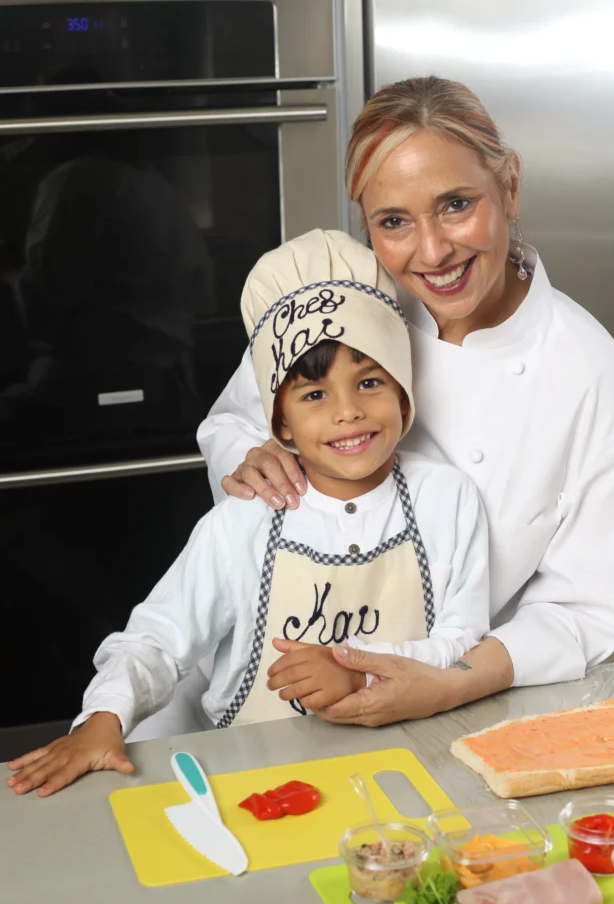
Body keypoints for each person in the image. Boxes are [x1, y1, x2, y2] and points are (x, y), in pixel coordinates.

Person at [198, 75, 614, 727]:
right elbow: (232, 421)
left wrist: (447, 683)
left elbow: (580, 609)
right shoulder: (342, 301)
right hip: (260, 677)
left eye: (456, 204)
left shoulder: (595, 380)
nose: (434, 251)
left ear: (511, 185)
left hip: (444, 702)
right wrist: (252, 456)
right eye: (394, 221)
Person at [5, 229, 489, 797]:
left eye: (370, 381)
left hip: (409, 771)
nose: (349, 413)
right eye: (314, 395)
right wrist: (102, 720)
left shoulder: (448, 499)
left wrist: (357, 669)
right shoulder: (243, 524)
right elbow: (156, 641)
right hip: (256, 776)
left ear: (405, 391)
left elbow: (463, 640)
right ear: (279, 424)